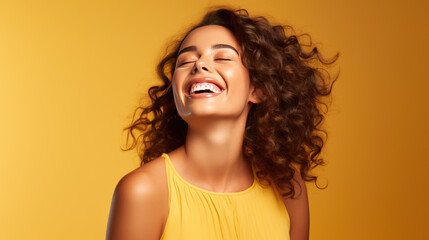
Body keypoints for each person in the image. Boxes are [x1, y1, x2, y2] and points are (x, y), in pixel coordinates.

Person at [106, 8, 337, 240]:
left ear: (258, 89)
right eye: (185, 61)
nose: (199, 65)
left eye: (222, 58)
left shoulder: (287, 186)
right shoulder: (142, 192)